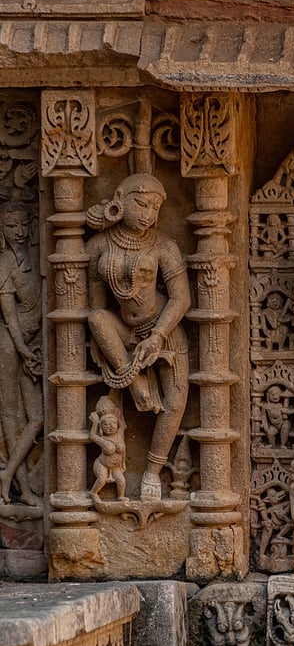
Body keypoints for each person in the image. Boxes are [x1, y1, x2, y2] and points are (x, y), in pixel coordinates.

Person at [85, 174, 190, 501]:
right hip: (122, 328)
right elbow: (96, 304)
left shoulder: (163, 246)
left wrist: (158, 336)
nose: (148, 213)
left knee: (175, 402)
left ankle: (152, 472)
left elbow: (181, 299)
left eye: (155, 208)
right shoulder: (99, 245)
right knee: (97, 319)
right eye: (141, 203)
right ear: (120, 197)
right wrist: (110, 352)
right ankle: (136, 384)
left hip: (163, 326)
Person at [0, 203, 42, 504]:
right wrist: (25, 351)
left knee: (38, 416)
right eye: (11, 225)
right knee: (10, 412)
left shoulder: (36, 254)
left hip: (33, 344)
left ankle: (9, 473)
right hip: (10, 343)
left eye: (21, 224)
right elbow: (11, 318)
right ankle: (23, 489)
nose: (18, 231)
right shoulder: (4, 263)